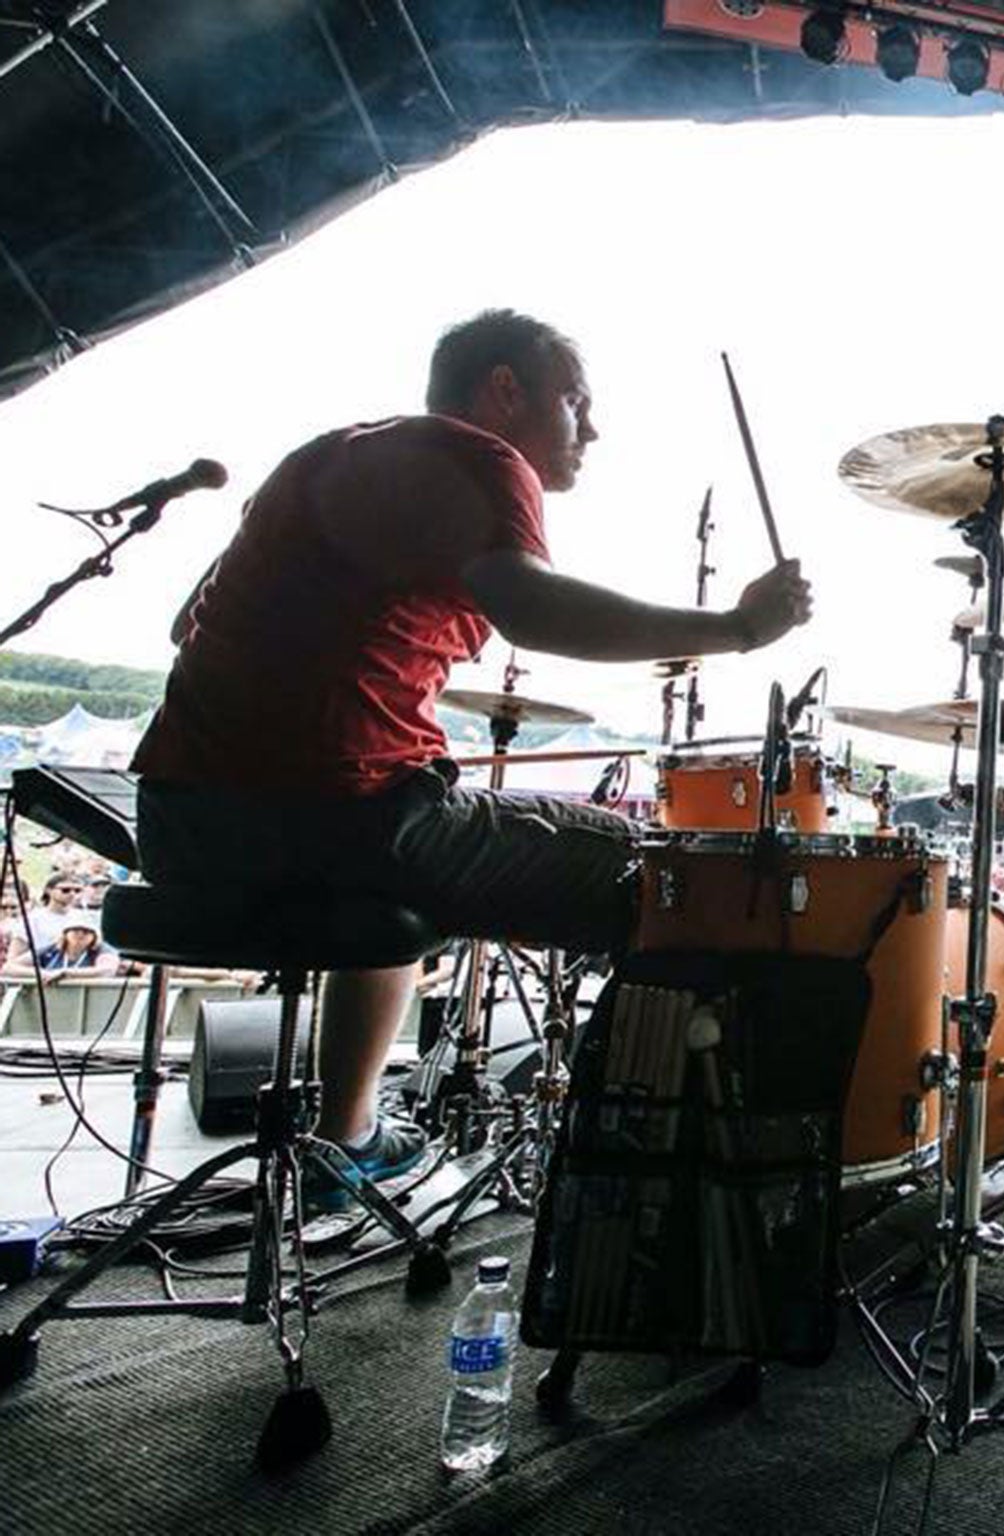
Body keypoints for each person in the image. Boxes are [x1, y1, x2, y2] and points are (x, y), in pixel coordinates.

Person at [129, 311, 813, 1205]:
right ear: (504, 390)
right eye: (577, 402)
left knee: (405, 863)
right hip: (338, 819)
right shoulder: (481, 458)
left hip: (181, 822)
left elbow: (190, 622)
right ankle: (664, 1188)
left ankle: (347, 1140)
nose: (592, 430)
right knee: (670, 879)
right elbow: (530, 606)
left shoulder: (321, 458)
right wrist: (737, 628)